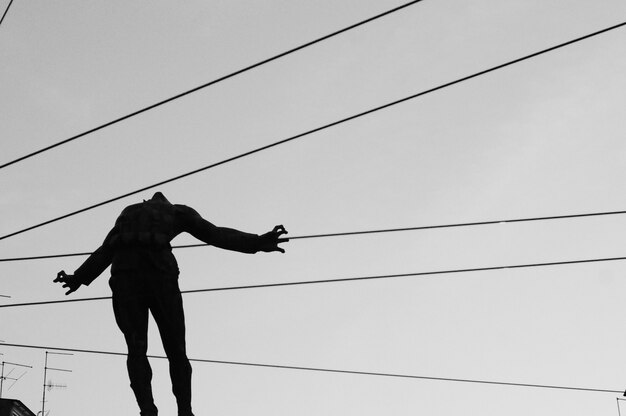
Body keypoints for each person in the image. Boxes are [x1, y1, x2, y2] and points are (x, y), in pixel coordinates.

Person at [53, 192, 288, 416]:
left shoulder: (128, 212)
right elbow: (215, 234)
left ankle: (148, 409)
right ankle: (183, 410)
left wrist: (79, 278)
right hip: (159, 274)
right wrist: (257, 242)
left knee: (137, 349)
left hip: (125, 275)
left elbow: (106, 250)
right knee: (175, 350)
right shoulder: (177, 212)